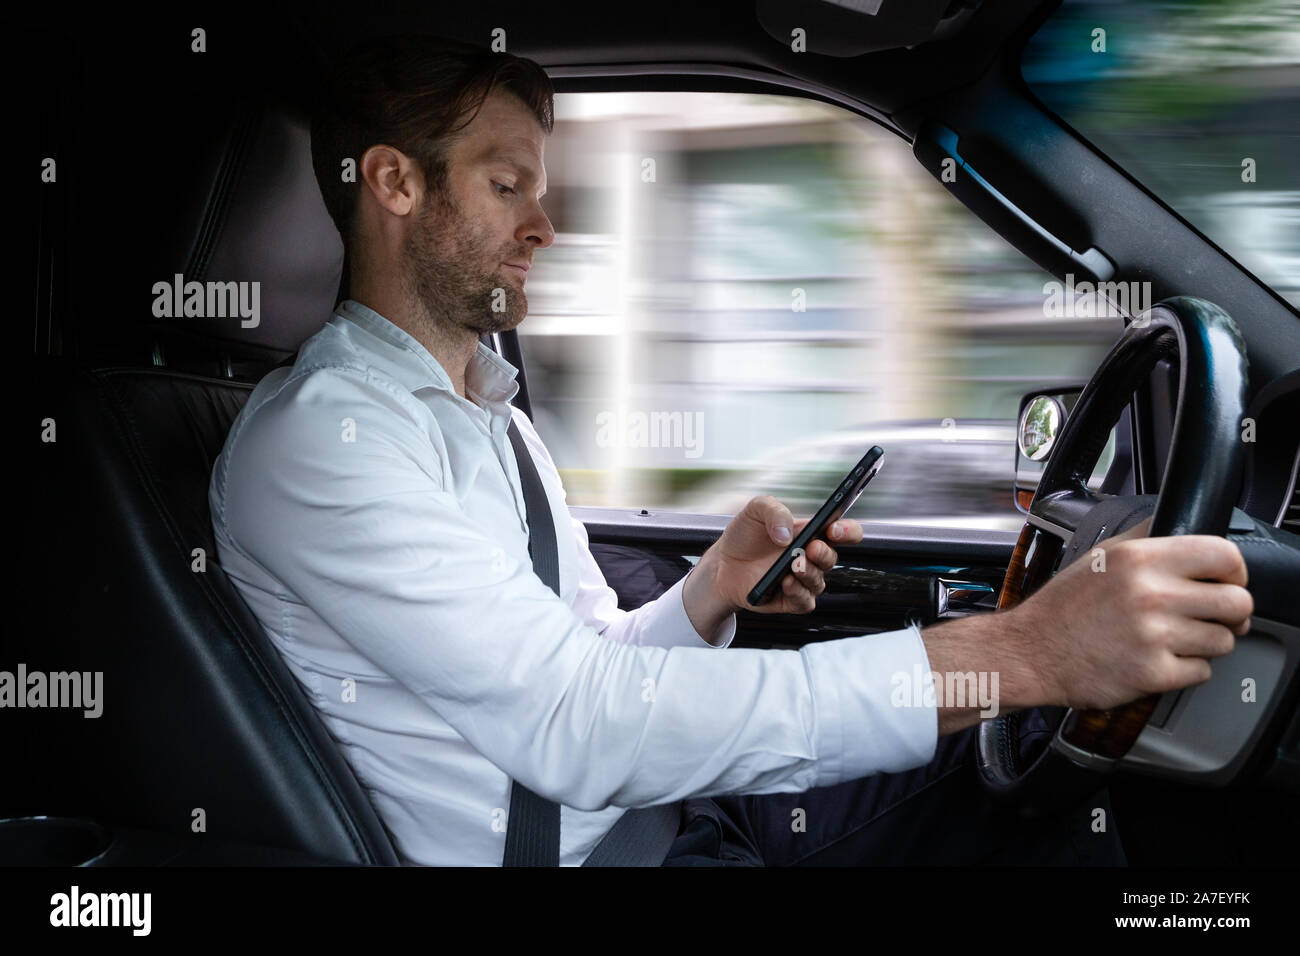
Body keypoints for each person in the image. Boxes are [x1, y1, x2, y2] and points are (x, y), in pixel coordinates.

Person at [207, 34, 1254, 866]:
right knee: (1034, 769)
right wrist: (1025, 652)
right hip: (606, 853)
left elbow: (593, 663)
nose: (546, 225)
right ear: (394, 184)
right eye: (506, 184)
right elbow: (581, 726)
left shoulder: (492, 415)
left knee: (1028, 774)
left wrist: (707, 591)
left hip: (662, 816)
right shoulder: (321, 442)